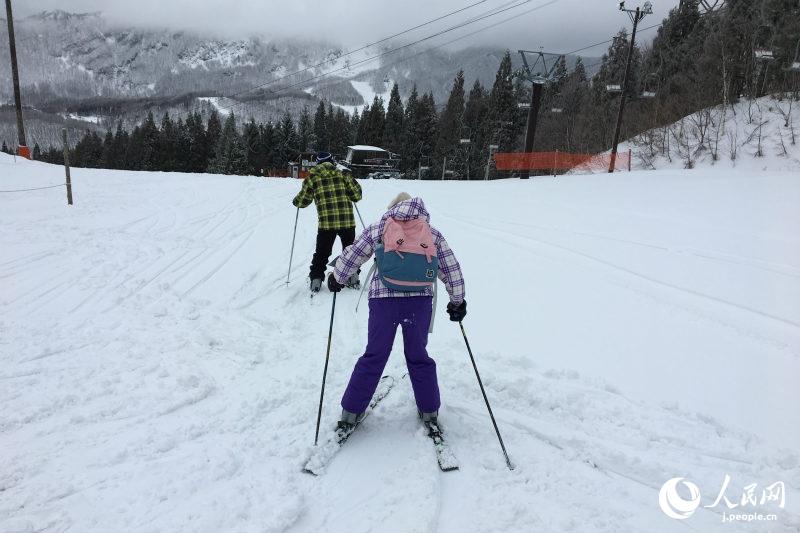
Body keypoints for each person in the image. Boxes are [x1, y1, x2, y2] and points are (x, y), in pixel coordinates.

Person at [328, 192, 467, 429]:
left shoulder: (380, 227)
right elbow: (450, 268)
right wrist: (458, 301)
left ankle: (351, 412)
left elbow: (354, 253)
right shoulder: (431, 233)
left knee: (374, 354)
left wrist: (337, 277)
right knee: (418, 355)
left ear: (393, 208)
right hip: (419, 303)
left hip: (383, 302)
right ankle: (429, 410)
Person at [292, 152, 362, 292]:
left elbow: (303, 201)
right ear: (332, 161)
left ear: (317, 163)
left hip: (326, 224)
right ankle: (352, 277)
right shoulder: (344, 175)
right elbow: (357, 195)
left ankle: (316, 281)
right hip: (347, 222)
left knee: (322, 253)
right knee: (350, 251)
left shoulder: (312, 179)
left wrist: (296, 202)